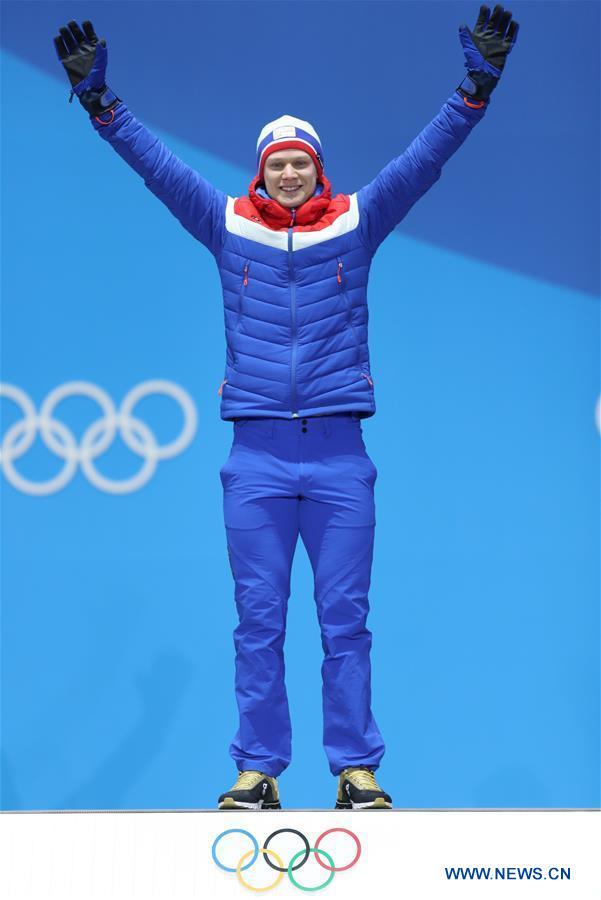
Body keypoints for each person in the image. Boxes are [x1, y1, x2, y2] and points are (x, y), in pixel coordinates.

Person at [54, 5, 519, 811]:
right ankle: (258, 770)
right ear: (260, 169)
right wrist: (104, 107)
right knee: (257, 625)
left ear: (318, 168)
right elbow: (156, 166)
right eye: (278, 163)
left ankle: (355, 770)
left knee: (345, 625)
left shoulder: (357, 220)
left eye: (301, 162)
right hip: (257, 458)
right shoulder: (227, 224)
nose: (290, 174)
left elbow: (425, 159)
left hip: (339, 454)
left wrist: (474, 87)